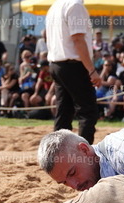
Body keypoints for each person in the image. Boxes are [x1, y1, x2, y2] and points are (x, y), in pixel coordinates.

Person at [46, 0, 99, 144]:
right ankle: (83, 153)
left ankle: (58, 152)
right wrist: (91, 70)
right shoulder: (75, 5)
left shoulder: (55, 6)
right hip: (73, 65)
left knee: (64, 112)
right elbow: (77, 40)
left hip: (57, 63)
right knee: (88, 111)